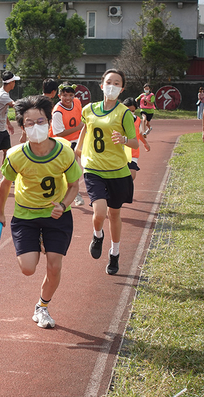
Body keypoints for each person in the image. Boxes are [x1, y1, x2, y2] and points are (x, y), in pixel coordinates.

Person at [0, 95, 82, 329]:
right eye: (29, 123)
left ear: (49, 122)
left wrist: (62, 205)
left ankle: (42, 307)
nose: (36, 127)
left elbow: (74, 186)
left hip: (57, 216)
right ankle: (39, 240)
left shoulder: (64, 152)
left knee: (54, 266)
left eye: (41, 121)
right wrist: (0, 212)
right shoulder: (16, 155)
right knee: (28, 269)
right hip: (26, 216)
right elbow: (4, 184)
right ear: (22, 127)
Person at [76, 69, 139, 275]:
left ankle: (115, 253)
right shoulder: (88, 109)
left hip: (118, 171)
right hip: (94, 168)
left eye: (117, 83)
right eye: (108, 82)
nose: (112, 85)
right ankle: (97, 235)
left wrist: (122, 140)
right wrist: (78, 147)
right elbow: (86, 127)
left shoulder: (124, 113)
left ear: (121, 89)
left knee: (115, 214)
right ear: (101, 85)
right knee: (99, 213)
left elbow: (134, 140)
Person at [50, 82, 85, 206]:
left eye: (71, 95)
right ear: (59, 95)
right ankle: (67, 192)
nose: (68, 98)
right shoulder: (58, 112)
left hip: (75, 140)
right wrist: (78, 127)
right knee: (61, 169)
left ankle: (74, 192)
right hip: (61, 142)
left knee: (75, 165)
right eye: (65, 95)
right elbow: (59, 133)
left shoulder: (77, 102)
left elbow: (81, 116)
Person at [121, 97, 150, 181]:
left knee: (131, 176)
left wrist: (145, 143)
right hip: (120, 151)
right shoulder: (119, 119)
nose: (130, 112)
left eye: (133, 111)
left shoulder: (137, 120)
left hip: (133, 152)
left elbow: (139, 133)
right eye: (128, 110)